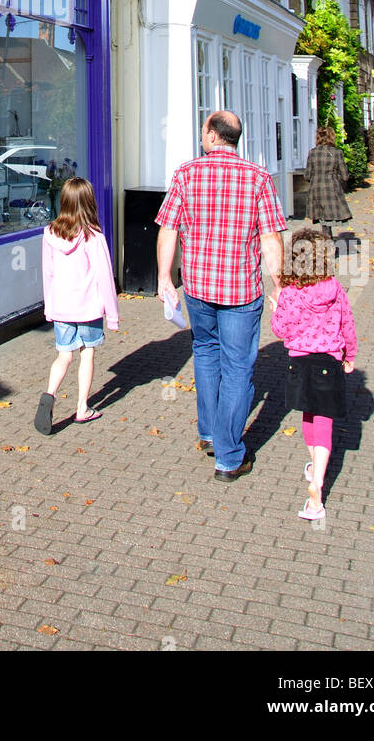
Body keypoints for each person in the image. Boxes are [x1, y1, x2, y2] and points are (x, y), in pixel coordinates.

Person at [156, 111, 286, 481]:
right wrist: (279, 285)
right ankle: (228, 454)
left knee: (206, 354)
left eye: (203, 131)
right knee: (237, 367)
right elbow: (271, 239)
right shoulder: (259, 178)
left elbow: (168, 229)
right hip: (241, 290)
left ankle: (213, 437)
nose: (201, 137)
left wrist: (166, 277)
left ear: (213, 135)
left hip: (198, 288)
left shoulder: (186, 174)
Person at [270, 227, 357, 520]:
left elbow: (280, 331)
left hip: (300, 362)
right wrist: (350, 356)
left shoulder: (290, 294)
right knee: (324, 419)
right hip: (328, 362)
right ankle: (318, 482)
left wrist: (275, 308)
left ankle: (312, 470)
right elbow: (348, 326)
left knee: (308, 414)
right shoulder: (335, 290)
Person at [34, 177, 119, 434]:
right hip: (88, 307)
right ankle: (82, 408)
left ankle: (49, 395)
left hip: (61, 307)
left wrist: (49, 307)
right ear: (89, 202)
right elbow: (105, 278)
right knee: (87, 354)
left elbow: (47, 273)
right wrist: (112, 316)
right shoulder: (93, 236)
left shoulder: (50, 233)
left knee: (64, 355)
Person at [304, 125, 351, 236]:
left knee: (323, 220)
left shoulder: (312, 153)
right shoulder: (337, 153)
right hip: (331, 189)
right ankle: (328, 246)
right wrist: (334, 178)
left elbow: (307, 175)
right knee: (327, 220)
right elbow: (345, 176)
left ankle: (327, 244)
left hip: (316, 190)